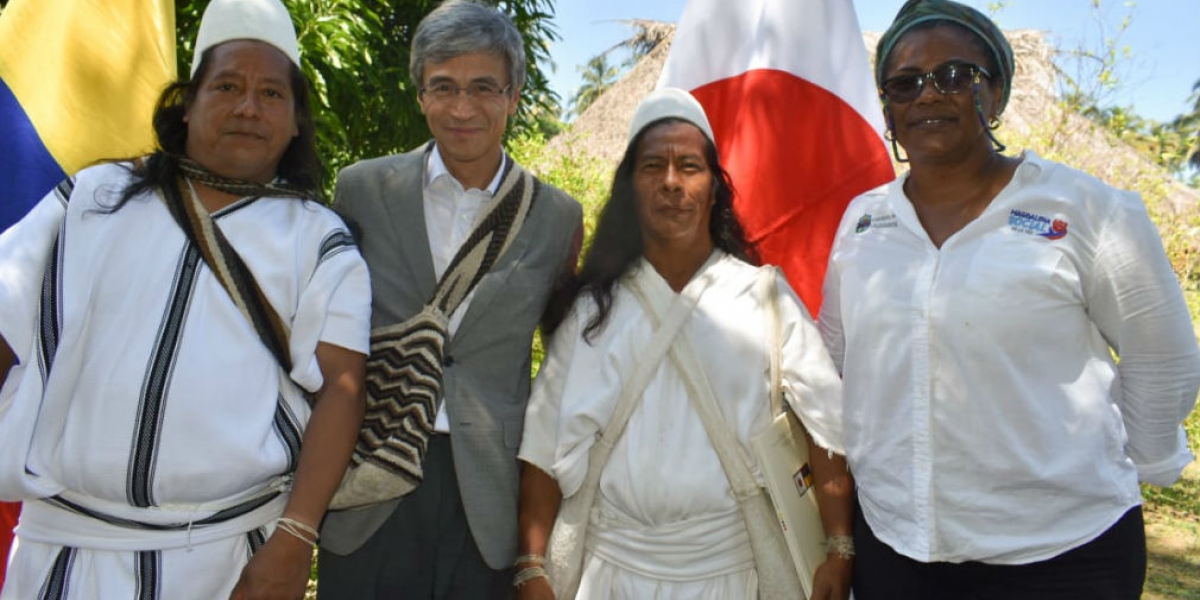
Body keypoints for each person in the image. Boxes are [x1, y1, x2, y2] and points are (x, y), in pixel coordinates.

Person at [817, 1, 1200, 598]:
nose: (927, 94)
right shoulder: (864, 221)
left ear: (995, 94)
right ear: (888, 108)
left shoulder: (1088, 211)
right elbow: (834, 363)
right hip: (895, 547)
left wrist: (1137, 461)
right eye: (904, 82)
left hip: (1062, 556)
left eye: (954, 76)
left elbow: (1164, 360)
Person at [0, 0, 371, 597]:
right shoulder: (94, 198)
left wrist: (294, 540)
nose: (249, 107)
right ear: (188, 103)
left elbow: (343, 388)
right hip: (64, 560)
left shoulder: (318, 240)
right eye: (227, 85)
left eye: (272, 94)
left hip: (223, 564)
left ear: (296, 120)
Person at [514, 87, 854, 600]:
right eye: (653, 167)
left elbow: (826, 429)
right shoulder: (592, 313)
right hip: (611, 576)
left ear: (715, 187)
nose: (671, 182)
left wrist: (839, 548)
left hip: (733, 575)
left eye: (689, 166)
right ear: (630, 186)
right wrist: (532, 566)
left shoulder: (764, 297)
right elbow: (544, 448)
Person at [315, 1, 583, 598]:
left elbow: (568, 368)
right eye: (444, 87)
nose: (462, 109)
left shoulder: (556, 217)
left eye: (483, 88)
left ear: (513, 96)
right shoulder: (361, 189)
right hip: (372, 480)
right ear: (420, 95)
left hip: (486, 493)